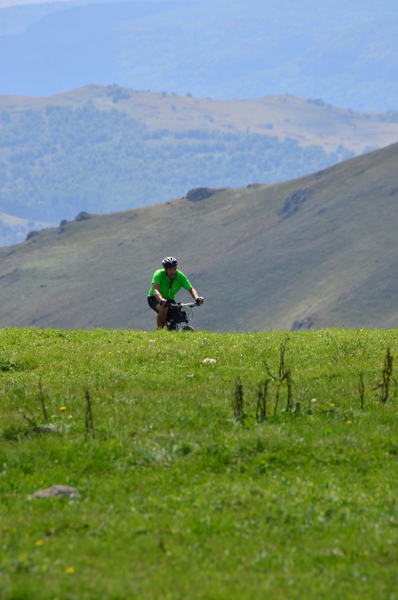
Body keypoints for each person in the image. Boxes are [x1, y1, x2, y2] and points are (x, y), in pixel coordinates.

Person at [148, 257, 204, 329]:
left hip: (169, 299)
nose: (173, 272)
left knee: (178, 313)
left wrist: (197, 298)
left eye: (174, 269)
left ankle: (173, 328)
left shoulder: (180, 276)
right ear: (165, 269)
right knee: (163, 308)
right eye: (170, 269)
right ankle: (160, 330)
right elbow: (155, 290)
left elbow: (191, 289)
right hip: (154, 298)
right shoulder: (159, 274)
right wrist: (161, 300)